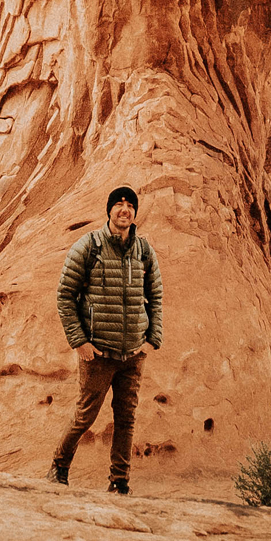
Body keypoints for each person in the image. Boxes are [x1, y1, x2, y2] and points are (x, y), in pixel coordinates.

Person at [47, 186, 162, 494]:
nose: (124, 209)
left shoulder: (144, 250)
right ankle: (59, 467)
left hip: (132, 354)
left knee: (126, 419)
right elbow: (64, 296)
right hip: (97, 352)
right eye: (119, 204)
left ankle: (120, 481)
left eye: (129, 205)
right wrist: (79, 341)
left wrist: (152, 339)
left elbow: (156, 297)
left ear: (135, 213)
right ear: (109, 210)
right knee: (85, 415)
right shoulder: (89, 246)